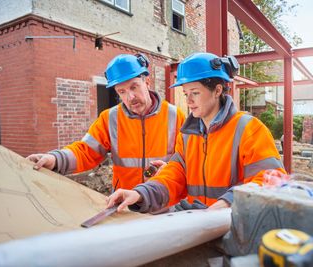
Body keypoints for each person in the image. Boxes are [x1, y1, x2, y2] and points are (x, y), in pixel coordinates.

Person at [106, 52, 286, 213]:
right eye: (185, 94)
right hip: (199, 229)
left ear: (217, 90)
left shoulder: (249, 129)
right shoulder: (187, 136)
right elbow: (174, 176)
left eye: (195, 93)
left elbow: (272, 179)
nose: (189, 100)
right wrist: (140, 193)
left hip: (235, 225)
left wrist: (228, 202)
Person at [27, 53, 185, 191]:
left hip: (164, 204)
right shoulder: (110, 118)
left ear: (147, 82)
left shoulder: (175, 116)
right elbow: (86, 151)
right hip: (125, 205)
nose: (130, 97)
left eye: (134, 87)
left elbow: (187, 161)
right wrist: (55, 159)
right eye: (121, 91)